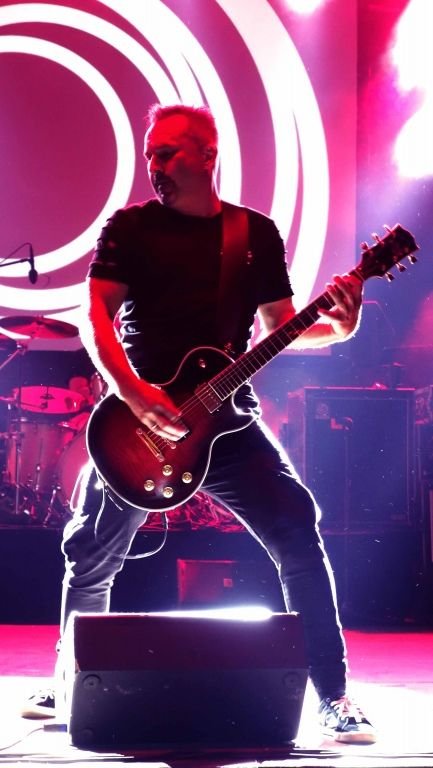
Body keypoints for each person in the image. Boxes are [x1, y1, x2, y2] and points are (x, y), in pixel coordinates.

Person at [21, 103, 376, 744]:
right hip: (136, 422)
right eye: (150, 154)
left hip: (227, 422)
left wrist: (342, 328)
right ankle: (68, 679)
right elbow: (94, 316)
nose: (153, 166)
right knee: (92, 553)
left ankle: (334, 695)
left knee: (298, 530)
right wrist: (131, 392)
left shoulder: (254, 234)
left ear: (207, 155)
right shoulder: (131, 228)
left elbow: (282, 328)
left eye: (166, 153)